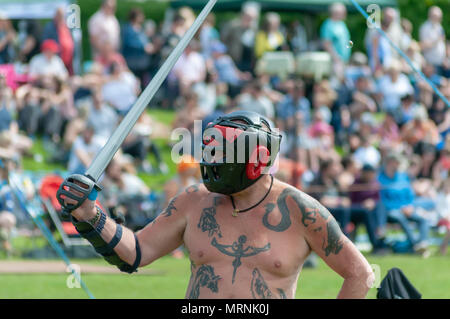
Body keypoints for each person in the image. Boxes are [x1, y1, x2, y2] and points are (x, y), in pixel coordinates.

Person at [61, 111, 374, 299]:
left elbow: (359, 273)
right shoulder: (193, 201)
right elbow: (136, 252)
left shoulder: (299, 210)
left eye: (224, 153)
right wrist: (91, 214)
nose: (213, 162)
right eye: (212, 152)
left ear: (256, 158)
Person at [378, 153, 430, 254]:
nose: (398, 165)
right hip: (390, 210)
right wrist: (400, 208)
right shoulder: (380, 179)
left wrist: (410, 206)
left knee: (423, 219)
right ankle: (415, 245)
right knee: (400, 217)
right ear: (389, 163)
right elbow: (382, 201)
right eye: (396, 163)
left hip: (407, 208)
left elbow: (410, 195)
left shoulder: (403, 177)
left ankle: (423, 243)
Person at [42, 7, 75, 74]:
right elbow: (46, 43)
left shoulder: (66, 26)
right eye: (59, 15)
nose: (61, 17)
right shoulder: (49, 27)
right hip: (56, 58)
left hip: (68, 60)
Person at [419, 6, 446, 74]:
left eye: (439, 17)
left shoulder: (439, 27)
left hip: (441, 63)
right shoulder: (425, 28)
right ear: (430, 15)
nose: (438, 18)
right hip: (431, 64)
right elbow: (423, 46)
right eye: (435, 16)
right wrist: (437, 41)